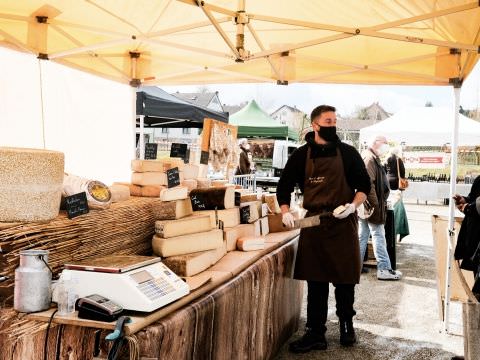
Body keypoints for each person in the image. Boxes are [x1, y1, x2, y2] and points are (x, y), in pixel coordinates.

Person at [276, 105, 371, 353]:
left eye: (335, 121)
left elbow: (364, 186)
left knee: (344, 280)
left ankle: (346, 325)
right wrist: (285, 211)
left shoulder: (348, 153)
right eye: (328, 121)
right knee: (316, 281)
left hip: (342, 222)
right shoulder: (301, 155)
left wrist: (353, 205)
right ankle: (315, 332)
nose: (333, 126)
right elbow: (283, 186)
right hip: (314, 223)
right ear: (315, 125)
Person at [359, 135, 402, 280]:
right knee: (378, 235)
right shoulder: (369, 159)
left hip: (368, 205)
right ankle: (384, 269)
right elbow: (367, 184)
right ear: (376, 143)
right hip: (371, 205)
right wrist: (375, 204)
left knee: (363, 235)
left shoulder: (370, 157)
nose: (386, 146)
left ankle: (355, 266)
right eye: (385, 143)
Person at [453, 174, 480, 298]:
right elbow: (474, 199)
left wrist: (469, 208)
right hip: (476, 242)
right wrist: (465, 201)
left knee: (477, 294)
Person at [385, 147, 410, 241]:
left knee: (389, 206)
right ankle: (395, 232)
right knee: (398, 208)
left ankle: (390, 230)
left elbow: (384, 171)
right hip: (397, 184)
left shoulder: (386, 159)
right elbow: (402, 172)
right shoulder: (398, 159)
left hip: (388, 183)